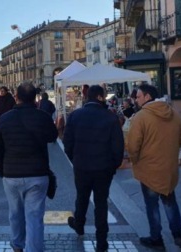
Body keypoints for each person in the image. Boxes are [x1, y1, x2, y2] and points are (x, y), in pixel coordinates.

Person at [0, 82, 58, 252]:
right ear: (35, 98)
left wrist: (2, 171)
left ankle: (17, 245)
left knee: (15, 214)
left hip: (11, 174)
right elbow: (53, 136)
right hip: (37, 174)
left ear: (16, 97)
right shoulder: (42, 117)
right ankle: (34, 249)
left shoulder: (5, 119)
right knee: (35, 217)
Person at [126, 84, 181, 250]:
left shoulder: (141, 117)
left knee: (152, 205)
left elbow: (133, 145)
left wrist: (134, 160)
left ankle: (156, 238)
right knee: (170, 202)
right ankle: (178, 235)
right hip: (168, 168)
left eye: (138, 96)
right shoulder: (174, 114)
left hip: (149, 169)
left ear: (147, 97)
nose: (136, 99)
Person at [63, 85, 124, 252]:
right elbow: (118, 146)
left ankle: (79, 225)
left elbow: (67, 143)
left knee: (81, 197)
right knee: (101, 203)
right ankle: (102, 241)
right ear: (99, 97)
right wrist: (113, 166)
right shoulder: (110, 118)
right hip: (104, 168)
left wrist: (75, 160)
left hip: (82, 166)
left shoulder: (75, 116)